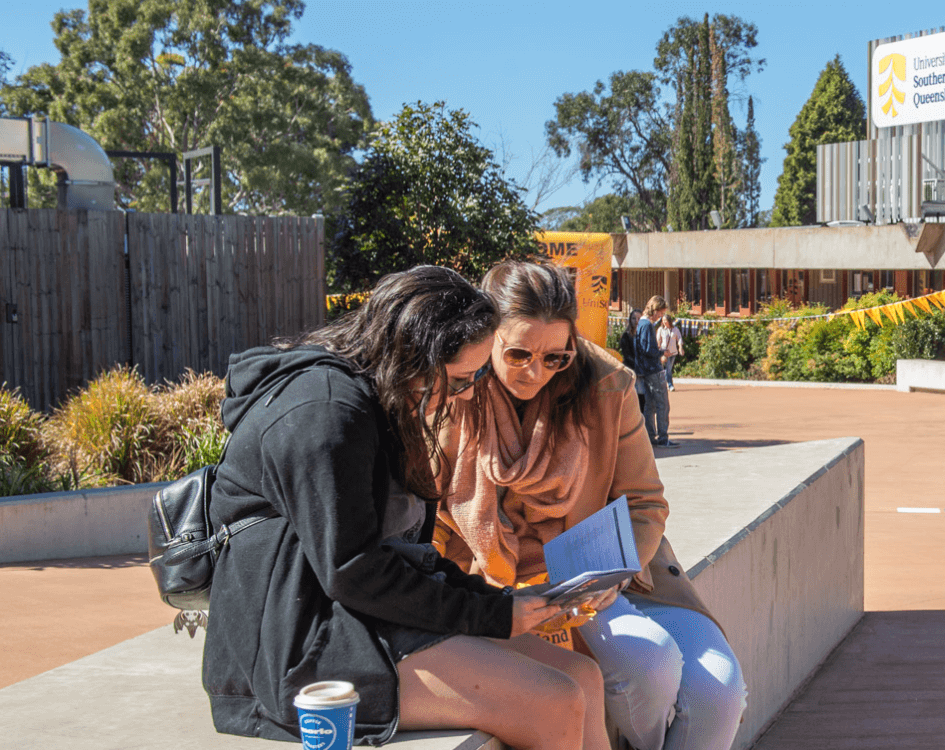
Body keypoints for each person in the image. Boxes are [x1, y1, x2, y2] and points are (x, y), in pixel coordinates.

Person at [203, 266, 612, 750]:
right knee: (554, 700)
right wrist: (492, 617)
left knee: (583, 677)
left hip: (361, 614)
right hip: (300, 645)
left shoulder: (379, 398)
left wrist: (499, 605)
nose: (466, 393)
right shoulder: (326, 414)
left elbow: (401, 554)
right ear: (416, 358)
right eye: (461, 379)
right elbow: (353, 570)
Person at [438, 261, 747, 748]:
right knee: (650, 662)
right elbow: (431, 520)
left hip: (603, 577)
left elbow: (646, 504)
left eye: (555, 357)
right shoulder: (456, 388)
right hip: (500, 589)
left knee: (720, 691)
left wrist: (611, 574)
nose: (535, 371)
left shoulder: (606, 384)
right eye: (518, 353)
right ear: (488, 337)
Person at [624, 296, 676, 448]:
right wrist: (661, 352)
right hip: (653, 369)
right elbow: (647, 349)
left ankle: (650, 436)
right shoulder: (647, 325)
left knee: (650, 405)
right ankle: (662, 437)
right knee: (662, 404)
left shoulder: (641, 324)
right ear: (655, 310)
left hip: (644, 370)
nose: (660, 317)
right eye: (660, 313)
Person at [658, 312, 684, 392]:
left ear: (669, 321)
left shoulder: (675, 329)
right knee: (668, 369)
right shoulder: (661, 329)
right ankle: (670, 385)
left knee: (668, 369)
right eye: (663, 320)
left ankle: (663, 384)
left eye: (665, 320)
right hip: (664, 352)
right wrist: (659, 351)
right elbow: (658, 340)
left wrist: (680, 348)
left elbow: (679, 338)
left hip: (673, 352)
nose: (664, 322)